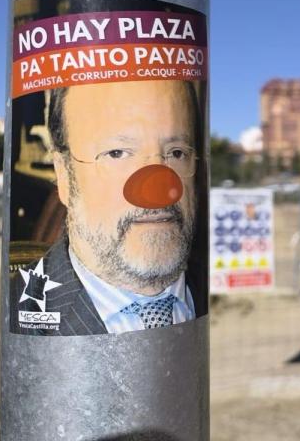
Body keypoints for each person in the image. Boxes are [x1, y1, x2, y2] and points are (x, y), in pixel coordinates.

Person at [11, 80, 205, 336]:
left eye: (177, 152)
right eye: (116, 153)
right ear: (64, 175)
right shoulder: (19, 313)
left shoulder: (211, 292)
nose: (158, 191)